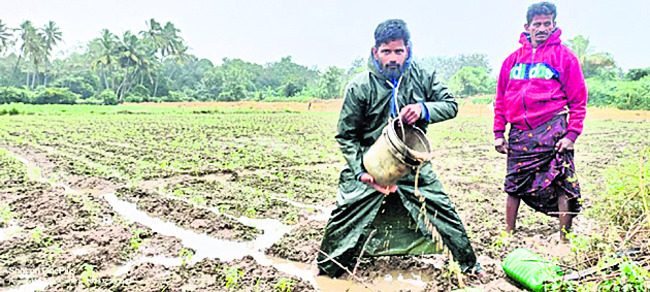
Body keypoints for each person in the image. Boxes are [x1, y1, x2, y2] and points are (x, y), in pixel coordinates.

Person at [317, 19, 483, 279]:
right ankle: (328, 269)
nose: (392, 58)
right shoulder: (360, 86)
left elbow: (450, 105)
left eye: (398, 51)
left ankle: (469, 268)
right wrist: (361, 172)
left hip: (411, 164)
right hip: (371, 163)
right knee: (344, 215)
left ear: (408, 50)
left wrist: (423, 109)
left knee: (442, 210)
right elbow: (346, 136)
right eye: (386, 51)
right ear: (375, 52)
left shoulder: (423, 77)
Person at [493, 2, 587, 242]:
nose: (542, 28)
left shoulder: (565, 57)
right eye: (538, 24)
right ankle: (509, 233)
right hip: (519, 132)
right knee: (514, 182)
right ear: (527, 27)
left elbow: (578, 99)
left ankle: (565, 238)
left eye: (547, 24)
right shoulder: (511, 62)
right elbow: (501, 100)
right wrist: (498, 133)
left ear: (554, 25)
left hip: (553, 128)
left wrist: (571, 135)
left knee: (562, 180)